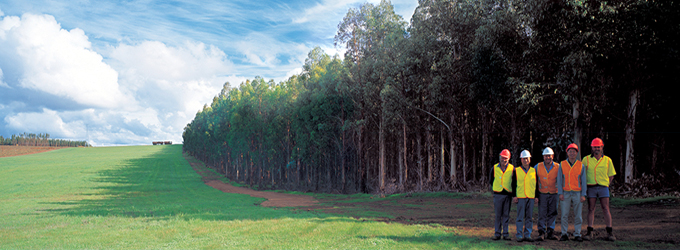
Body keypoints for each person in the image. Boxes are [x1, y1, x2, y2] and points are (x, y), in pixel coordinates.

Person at [582, 138, 617, 241]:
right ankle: (589, 231)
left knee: (605, 208)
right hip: (591, 187)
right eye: (595, 147)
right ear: (591, 147)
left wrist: (607, 185)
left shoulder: (607, 160)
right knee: (591, 208)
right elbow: (582, 174)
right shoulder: (586, 159)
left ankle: (610, 232)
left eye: (598, 147)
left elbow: (611, 175)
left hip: (603, 187)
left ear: (602, 147)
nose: (597, 149)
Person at [557, 143, 587, 242]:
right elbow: (559, 180)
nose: (572, 153)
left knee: (578, 215)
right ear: (567, 152)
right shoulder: (562, 164)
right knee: (564, 214)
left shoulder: (580, 165)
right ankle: (564, 233)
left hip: (577, 193)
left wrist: (583, 194)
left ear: (577, 153)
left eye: (574, 151)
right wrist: (560, 193)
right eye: (570, 151)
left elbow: (583, 181)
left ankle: (577, 234)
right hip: (565, 193)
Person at [489, 149, 515, 240]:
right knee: (498, 215)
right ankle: (497, 234)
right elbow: (491, 181)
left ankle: (505, 234)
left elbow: (514, 182)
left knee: (506, 215)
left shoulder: (512, 168)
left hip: (507, 194)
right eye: (503, 158)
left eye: (506, 158)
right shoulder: (494, 167)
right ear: (500, 157)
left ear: (509, 159)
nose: (504, 160)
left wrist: (513, 194)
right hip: (498, 194)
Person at [513, 150, 538, 242]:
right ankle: (519, 235)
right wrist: (514, 196)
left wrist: (536, 196)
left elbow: (537, 184)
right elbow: (513, 184)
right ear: (521, 160)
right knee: (520, 217)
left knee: (529, 217)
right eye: (524, 159)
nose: (525, 160)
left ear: (530, 159)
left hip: (531, 197)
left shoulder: (533, 171)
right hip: (520, 197)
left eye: (527, 158)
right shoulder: (516, 170)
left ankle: (528, 235)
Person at [534, 147, 559, 241]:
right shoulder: (538, 166)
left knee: (553, 212)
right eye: (546, 156)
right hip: (542, 193)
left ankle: (550, 232)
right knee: (542, 213)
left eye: (549, 155)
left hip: (554, 193)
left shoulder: (558, 167)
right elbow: (534, 181)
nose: (548, 157)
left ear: (552, 156)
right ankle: (541, 232)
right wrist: (536, 195)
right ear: (543, 157)